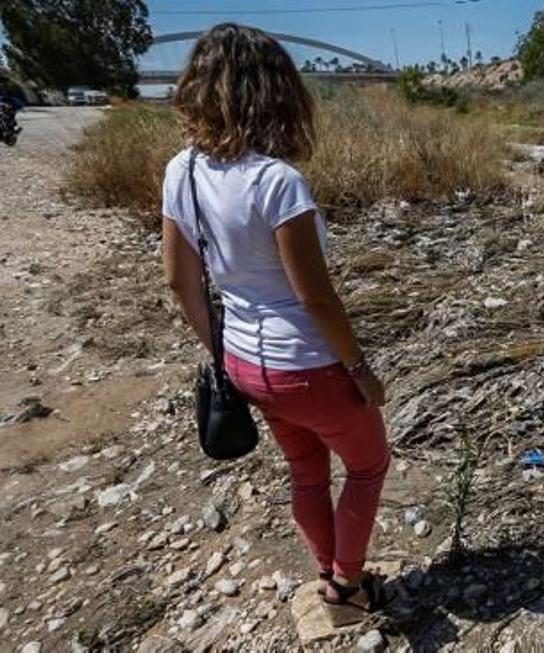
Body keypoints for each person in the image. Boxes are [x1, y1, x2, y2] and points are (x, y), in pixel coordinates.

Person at [161, 23, 390, 622]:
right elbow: (316, 299)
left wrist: (224, 351)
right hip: (307, 364)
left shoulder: (180, 172)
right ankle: (347, 588)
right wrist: (360, 369)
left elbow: (180, 283)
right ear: (275, 93)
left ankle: (327, 573)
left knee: (306, 469)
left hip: (244, 363)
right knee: (368, 466)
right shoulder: (276, 182)